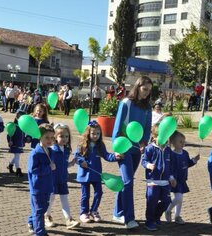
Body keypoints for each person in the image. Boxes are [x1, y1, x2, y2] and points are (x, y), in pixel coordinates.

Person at [112, 76, 153, 229]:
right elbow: (117, 129)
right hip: (123, 149)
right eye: (144, 89)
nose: (147, 93)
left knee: (125, 182)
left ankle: (118, 212)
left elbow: (147, 129)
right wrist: (118, 149)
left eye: (149, 91)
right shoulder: (126, 103)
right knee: (128, 182)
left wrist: (144, 143)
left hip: (137, 150)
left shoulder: (148, 107)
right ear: (138, 87)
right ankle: (129, 218)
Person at [75, 120, 122, 223]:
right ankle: (84, 213)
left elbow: (107, 155)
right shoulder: (82, 145)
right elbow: (77, 157)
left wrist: (115, 156)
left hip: (96, 174)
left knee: (99, 193)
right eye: (93, 133)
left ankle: (94, 210)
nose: (95, 135)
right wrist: (82, 162)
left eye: (98, 133)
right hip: (85, 175)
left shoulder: (100, 145)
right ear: (88, 133)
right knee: (85, 195)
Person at [141, 124, 177, 231]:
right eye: (162, 136)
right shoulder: (150, 148)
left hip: (165, 182)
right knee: (152, 202)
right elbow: (144, 161)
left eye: (166, 137)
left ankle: (156, 216)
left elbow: (170, 166)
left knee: (166, 202)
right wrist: (149, 165)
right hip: (153, 181)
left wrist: (171, 178)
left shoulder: (168, 150)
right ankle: (149, 221)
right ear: (155, 137)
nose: (165, 139)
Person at [44, 123, 80, 229]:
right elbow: (48, 164)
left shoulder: (67, 150)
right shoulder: (52, 150)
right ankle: (46, 216)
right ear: (54, 137)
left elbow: (63, 165)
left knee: (64, 198)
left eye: (66, 136)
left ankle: (69, 219)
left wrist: (72, 163)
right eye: (61, 136)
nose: (64, 138)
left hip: (63, 179)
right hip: (52, 179)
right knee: (51, 198)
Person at [165, 131, 200, 225]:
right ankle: (168, 210)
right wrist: (171, 178)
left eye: (184, 141)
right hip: (175, 180)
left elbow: (188, 163)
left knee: (180, 199)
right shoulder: (171, 154)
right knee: (179, 198)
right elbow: (169, 168)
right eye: (180, 142)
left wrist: (194, 160)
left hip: (182, 180)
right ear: (173, 142)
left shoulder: (185, 153)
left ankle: (177, 216)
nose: (183, 144)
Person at [27, 124, 56, 235]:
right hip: (37, 187)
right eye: (47, 137)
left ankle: (31, 221)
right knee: (39, 211)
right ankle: (40, 232)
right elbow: (33, 169)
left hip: (47, 186)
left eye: (52, 138)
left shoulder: (51, 151)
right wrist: (49, 168)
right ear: (40, 137)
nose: (50, 140)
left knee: (43, 209)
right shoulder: (36, 153)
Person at [7, 110, 26, 177]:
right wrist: (10, 141)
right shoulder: (14, 126)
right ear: (17, 118)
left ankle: (10, 165)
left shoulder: (23, 127)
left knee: (16, 156)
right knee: (17, 156)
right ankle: (18, 170)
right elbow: (9, 134)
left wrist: (27, 139)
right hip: (14, 143)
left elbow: (25, 135)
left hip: (20, 143)